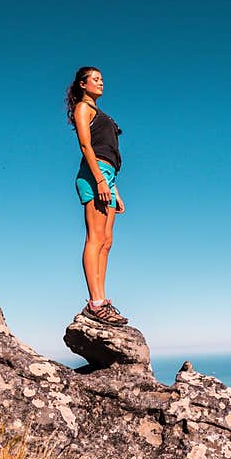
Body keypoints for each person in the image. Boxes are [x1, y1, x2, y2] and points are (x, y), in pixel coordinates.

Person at [66, 66, 129, 326]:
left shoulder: (101, 112)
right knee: (95, 238)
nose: (100, 82)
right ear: (82, 84)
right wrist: (101, 180)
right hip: (95, 174)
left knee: (107, 241)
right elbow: (85, 145)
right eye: (95, 79)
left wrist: (114, 189)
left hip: (107, 176)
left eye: (102, 78)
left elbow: (108, 153)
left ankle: (102, 299)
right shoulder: (83, 108)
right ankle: (96, 303)